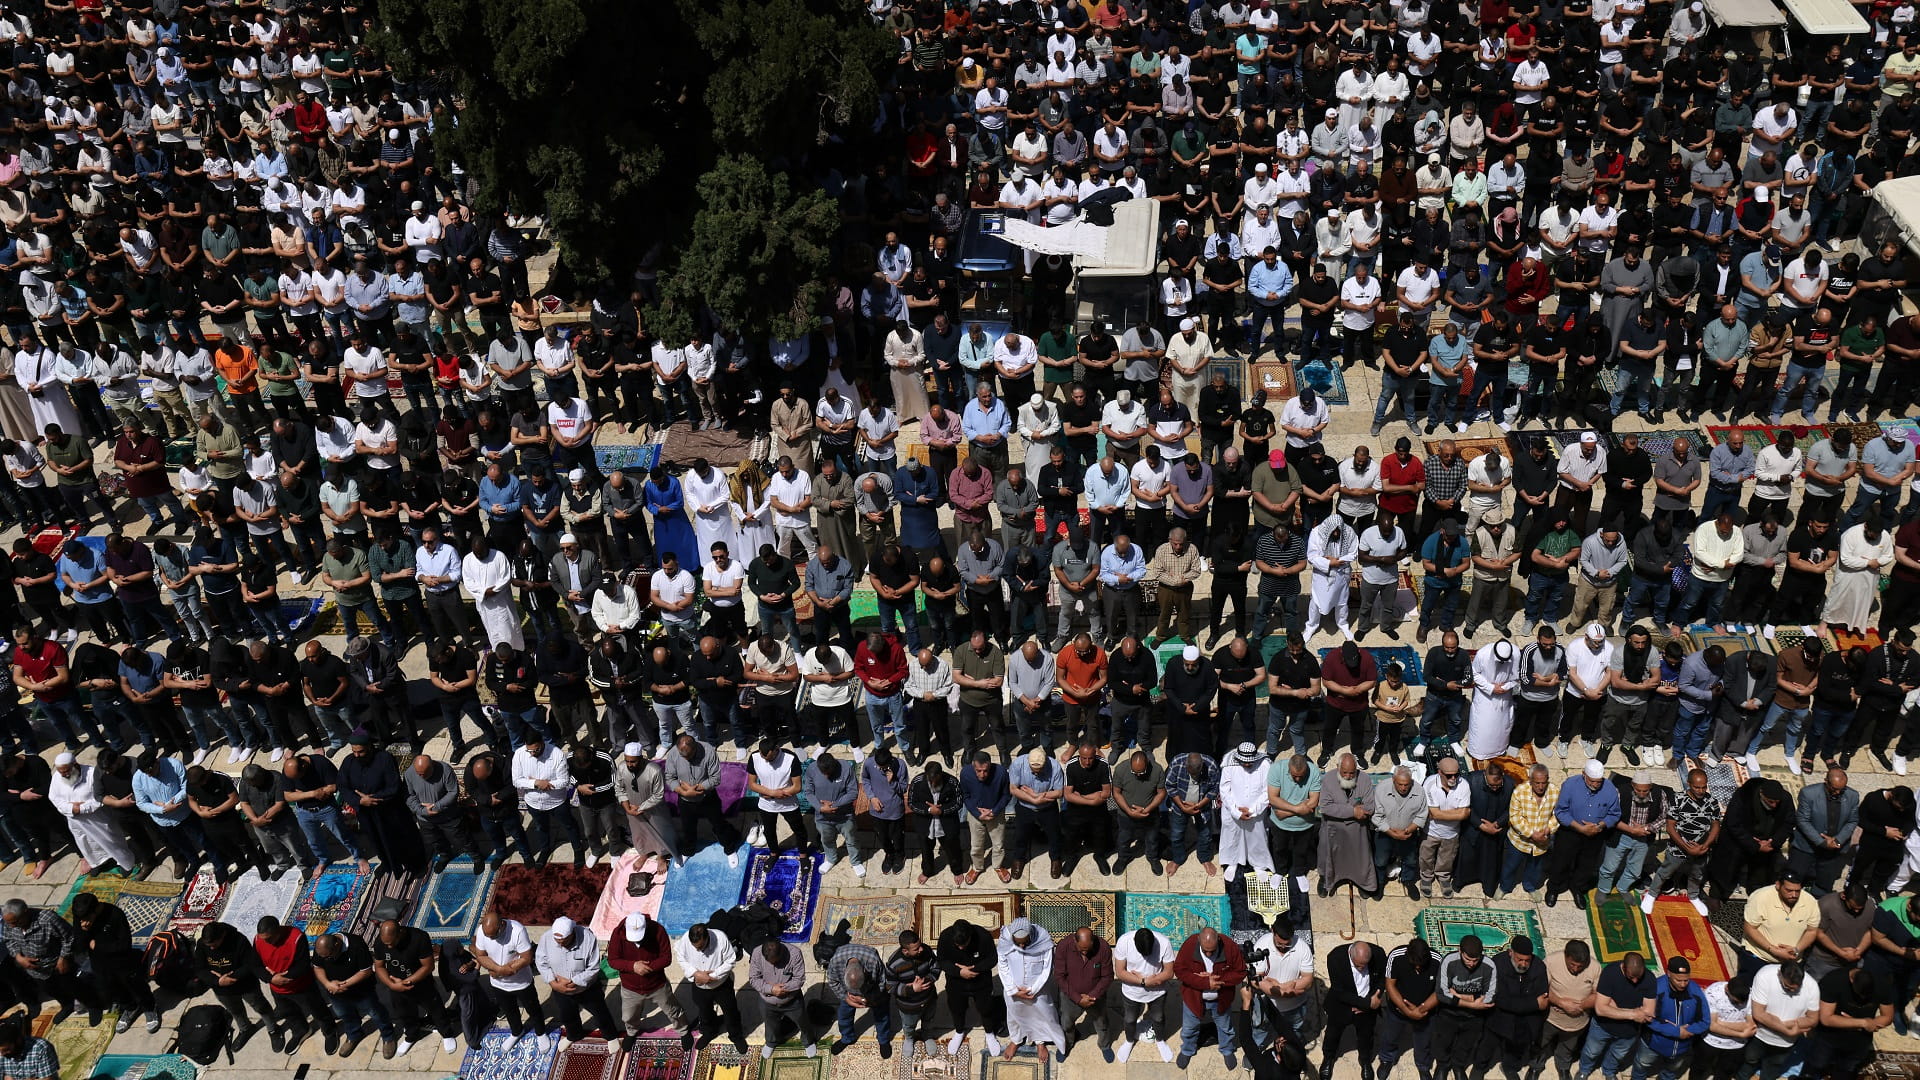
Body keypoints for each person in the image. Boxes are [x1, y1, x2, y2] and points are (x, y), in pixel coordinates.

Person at [536, 916, 617, 1043]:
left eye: (563, 941)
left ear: (572, 933)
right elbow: (541, 963)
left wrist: (574, 982)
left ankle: (611, 1036)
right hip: (560, 989)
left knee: (600, 1013)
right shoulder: (546, 939)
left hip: (587, 988)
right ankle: (574, 1035)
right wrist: (553, 983)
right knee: (568, 1015)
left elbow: (593, 967)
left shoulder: (588, 939)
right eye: (557, 941)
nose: (560, 944)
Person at [1173, 926, 1245, 1071]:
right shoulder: (1189, 945)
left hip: (1221, 1000)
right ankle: (1187, 1050)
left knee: (1225, 1028)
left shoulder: (1229, 947)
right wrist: (1204, 982)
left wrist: (1218, 980)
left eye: (1212, 951)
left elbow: (1240, 971)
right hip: (1194, 999)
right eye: (1205, 950)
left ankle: (1227, 1049)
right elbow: (1179, 971)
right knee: (1189, 1028)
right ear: (1198, 939)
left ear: (1218, 940)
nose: (1208, 953)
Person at [749, 939, 820, 1057]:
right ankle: (771, 1042)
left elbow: (799, 979)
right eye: (769, 962)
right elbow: (754, 979)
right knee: (770, 1023)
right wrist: (771, 990)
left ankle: (808, 1041)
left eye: (775, 962)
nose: (773, 965)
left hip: (792, 1001)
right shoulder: (756, 953)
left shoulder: (795, 954)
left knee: (802, 1022)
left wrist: (783, 990)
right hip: (767, 1001)